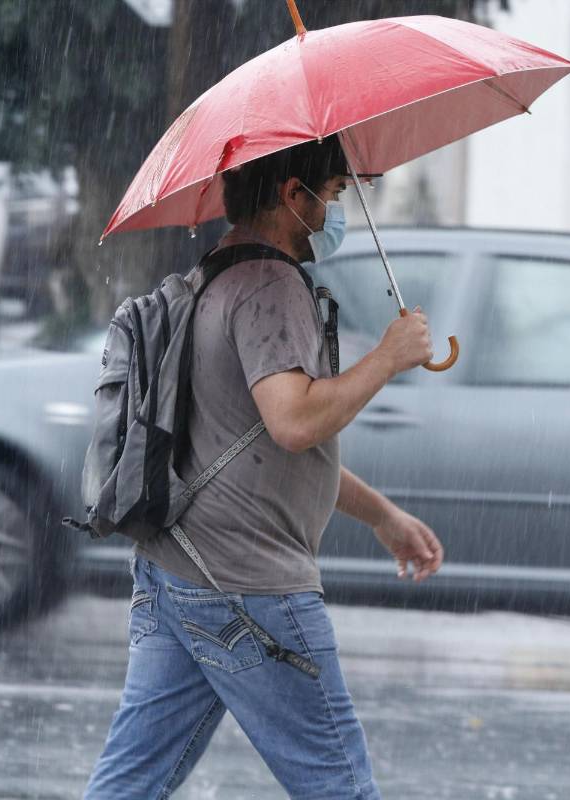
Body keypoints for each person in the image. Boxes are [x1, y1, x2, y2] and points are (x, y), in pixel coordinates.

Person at [84, 134, 444, 799]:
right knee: (339, 786)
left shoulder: (212, 275)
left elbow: (255, 443)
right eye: (334, 194)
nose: (337, 211)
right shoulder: (271, 284)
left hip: (178, 572)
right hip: (250, 587)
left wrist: (383, 516)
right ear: (292, 196)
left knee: (128, 787)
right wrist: (388, 359)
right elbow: (295, 419)